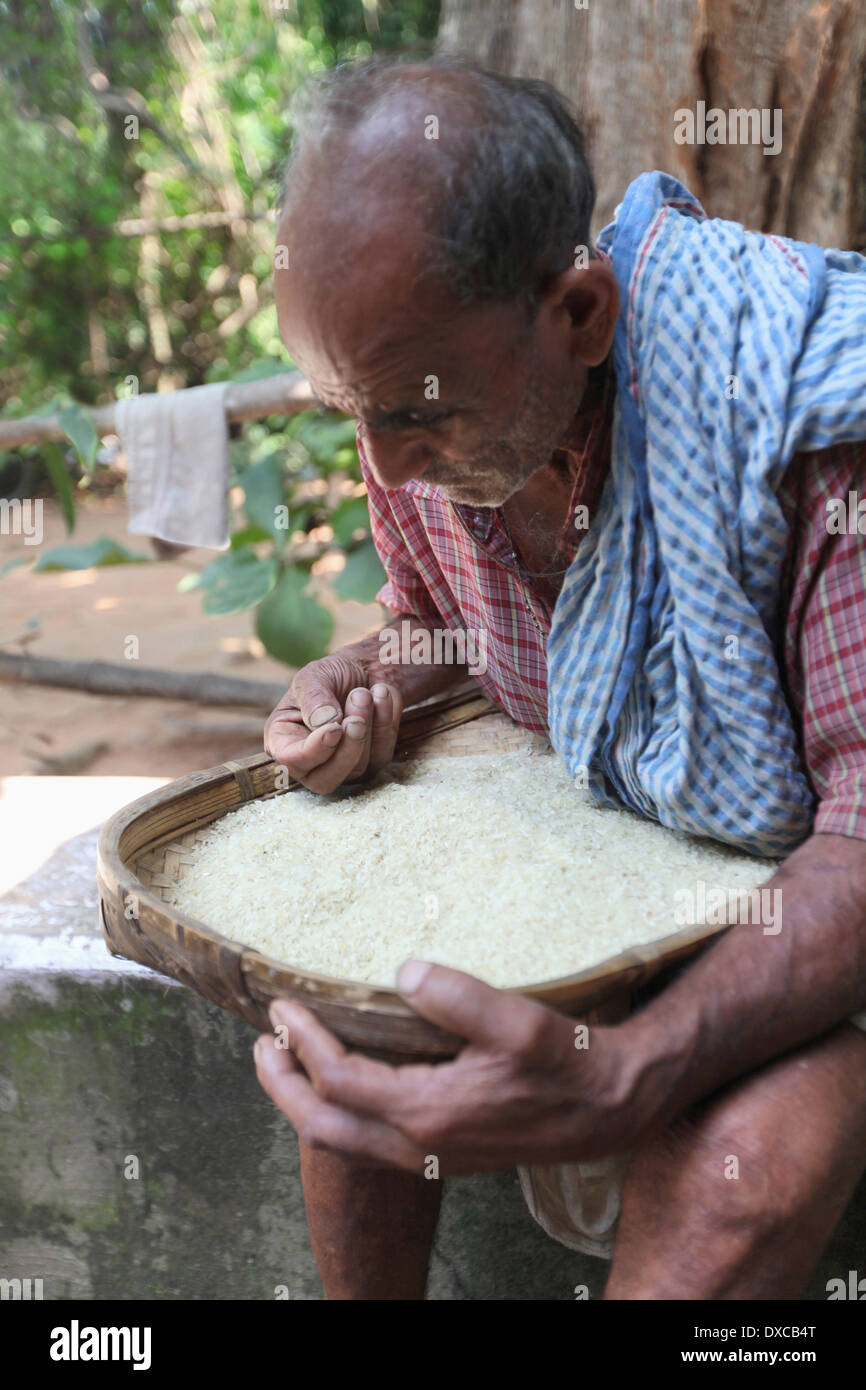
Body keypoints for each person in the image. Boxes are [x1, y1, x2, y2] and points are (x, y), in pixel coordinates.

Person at [255, 55, 866, 1299]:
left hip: (816, 887)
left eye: (413, 407)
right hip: (649, 855)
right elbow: (437, 627)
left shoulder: (810, 420)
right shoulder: (416, 407)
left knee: (737, 1174)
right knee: (356, 1066)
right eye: (348, 405)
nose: (382, 458)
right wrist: (365, 678)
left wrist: (632, 1063)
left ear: (579, 314)